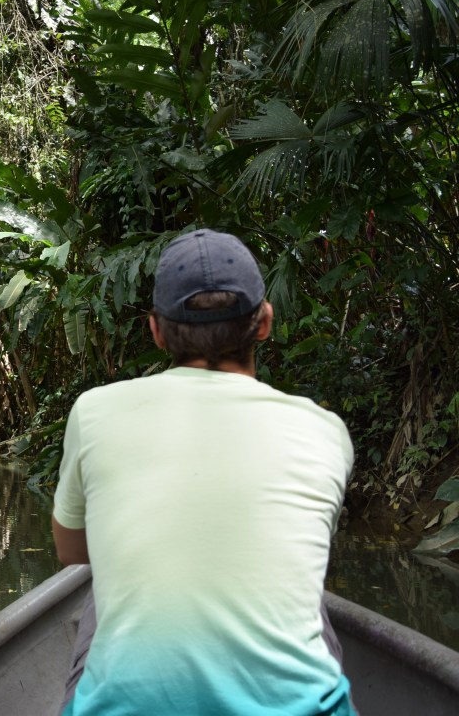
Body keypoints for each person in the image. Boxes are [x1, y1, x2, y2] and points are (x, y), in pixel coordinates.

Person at [51, 228, 356, 715]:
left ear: (156, 331)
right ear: (264, 323)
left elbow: (72, 551)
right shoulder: (325, 430)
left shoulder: (94, 412)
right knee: (310, 601)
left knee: (100, 596)